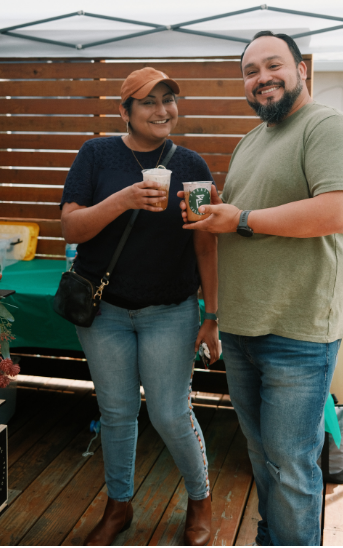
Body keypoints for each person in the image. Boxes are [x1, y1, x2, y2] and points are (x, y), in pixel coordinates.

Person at [178, 31, 343, 546]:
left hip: (298, 329)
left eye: (273, 65)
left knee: (291, 465)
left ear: (301, 68)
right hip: (241, 327)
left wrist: (239, 218)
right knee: (264, 457)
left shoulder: (329, 128)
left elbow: (337, 210)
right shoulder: (251, 139)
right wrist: (214, 311)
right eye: (250, 70)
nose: (261, 77)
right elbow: (243, 221)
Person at [60, 67, 219, 546]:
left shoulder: (191, 166)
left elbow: (205, 247)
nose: (162, 110)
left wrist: (211, 317)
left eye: (169, 99)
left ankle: (200, 499)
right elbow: (71, 228)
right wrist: (125, 198)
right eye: (148, 102)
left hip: (170, 310)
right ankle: (119, 505)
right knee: (117, 411)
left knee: (171, 413)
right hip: (104, 310)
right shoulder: (97, 154)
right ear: (124, 111)